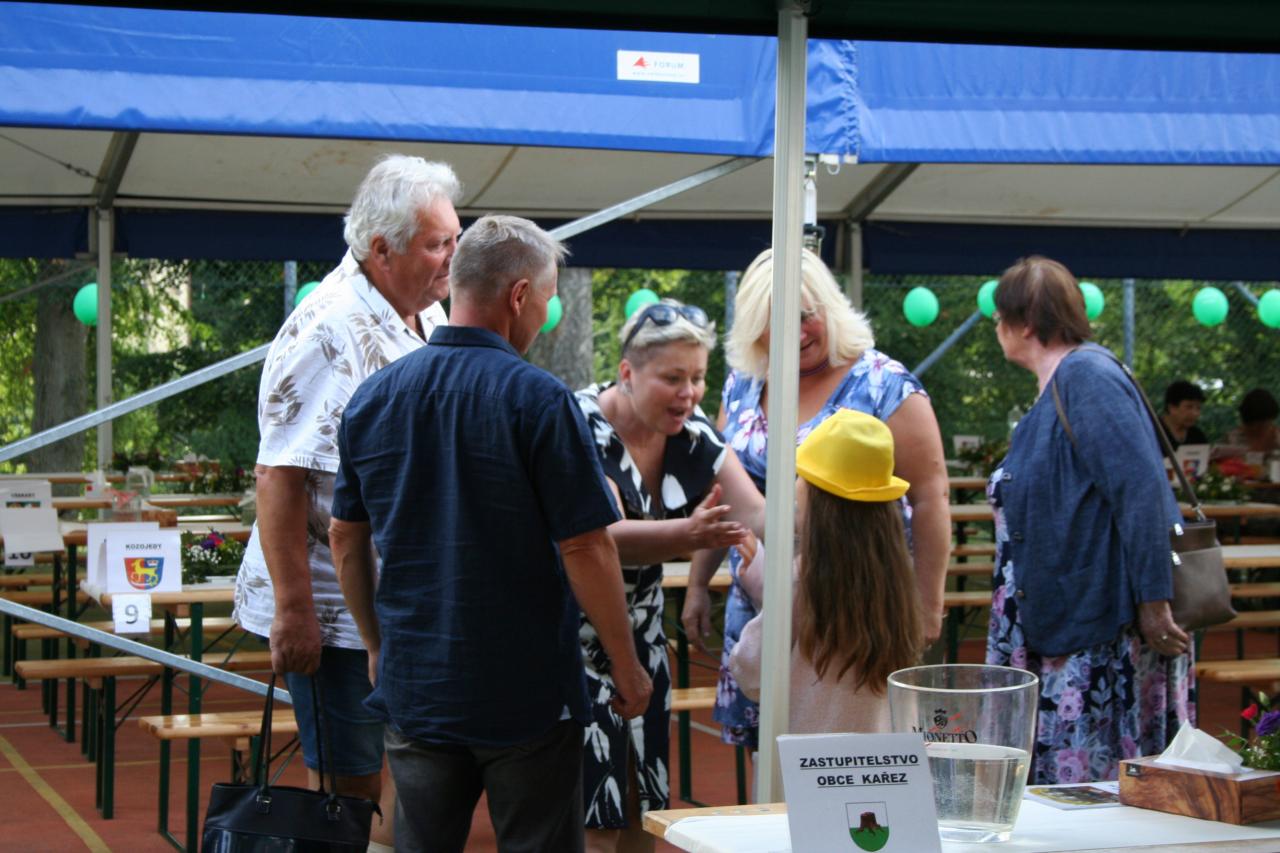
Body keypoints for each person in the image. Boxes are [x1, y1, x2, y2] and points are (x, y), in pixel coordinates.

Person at [330, 214, 652, 853]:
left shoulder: (373, 398)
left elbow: (345, 537)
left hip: (418, 681)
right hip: (526, 692)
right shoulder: (540, 400)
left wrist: (374, 644)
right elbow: (586, 545)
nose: (547, 313)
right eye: (548, 298)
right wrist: (626, 664)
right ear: (519, 295)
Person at [232, 153, 461, 845]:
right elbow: (279, 475)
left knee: (403, 773)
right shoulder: (328, 326)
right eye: (437, 244)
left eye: (455, 238)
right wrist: (294, 610)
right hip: (331, 612)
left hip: (397, 602)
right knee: (347, 786)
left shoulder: (425, 309)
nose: (453, 257)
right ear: (382, 249)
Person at [681, 247, 950, 751]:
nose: (795, 333)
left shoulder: (884, 384)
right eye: (773, 324)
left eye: (805, 316)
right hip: (762, 608)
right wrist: (698, 583)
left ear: (830, 306)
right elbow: (720, 493)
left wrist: (928, 606)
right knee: (771, 758)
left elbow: (932, 498)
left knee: (852, 747)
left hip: (855, 614)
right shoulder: (744, 385)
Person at [985, 255, 1192, 785]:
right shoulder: (1064, 382)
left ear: (1024, 323)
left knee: (1091, 788)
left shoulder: (1086, 376)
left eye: (1000, 315)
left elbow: (1140, 489)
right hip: (1067, 620)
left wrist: (1154, 599)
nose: (996, 327)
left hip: (1094, 629)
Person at [574, 299, 765, 852]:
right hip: (574, 636)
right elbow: (600, 539)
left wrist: (831, 527)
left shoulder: (692, 432)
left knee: (645, 801)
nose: (690, 393)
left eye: (698, 378)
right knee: (596, 813)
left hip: (645, 631)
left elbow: (755, 513)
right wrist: (687, 535)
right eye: (673, 378)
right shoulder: (578, 423)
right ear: (628, 372)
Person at [728, 409, 923, 734]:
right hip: (884, 760)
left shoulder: (799, 579)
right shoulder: (895, 580)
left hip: (806, 760)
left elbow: (751, 672)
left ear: (815, 498)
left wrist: (767, 593)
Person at [1226, 388, 1280, 453]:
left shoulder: (1277, 438)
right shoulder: (1232, 439)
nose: (1256, 429)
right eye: (1251, 426)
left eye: (1261, 426)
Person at [1159, 379, 1209, 450]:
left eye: (1198, 408)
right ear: (1172, 408)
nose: (1195, 413)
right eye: (1189, 407)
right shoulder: (1153, 431)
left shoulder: (1197, 436)